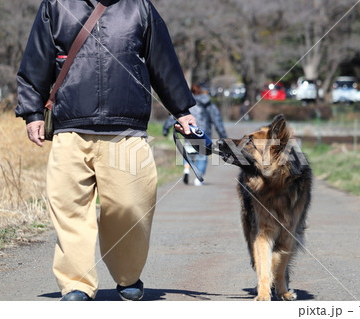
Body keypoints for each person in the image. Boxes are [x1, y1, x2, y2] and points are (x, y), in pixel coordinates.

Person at [15, 0, 196, 301]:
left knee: (131, 207)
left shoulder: (139, 7)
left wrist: (182, 110)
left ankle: (128, 275)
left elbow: (162, 61)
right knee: (69, 209)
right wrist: (32, 113)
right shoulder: (56, 5)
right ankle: (76, 284)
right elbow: (36, 61)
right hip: (70, 126)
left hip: (126, 129)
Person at [163, 83, 227, 186]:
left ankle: (186, 169)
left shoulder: (185, 103)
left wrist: (166, 129)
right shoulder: (208, 104)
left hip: (188, 131)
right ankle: (198, 178)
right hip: (203, 134)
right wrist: (223, 136)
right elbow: (217, 120)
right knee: (201, 155)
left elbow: (175, 116)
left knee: (188, 152)